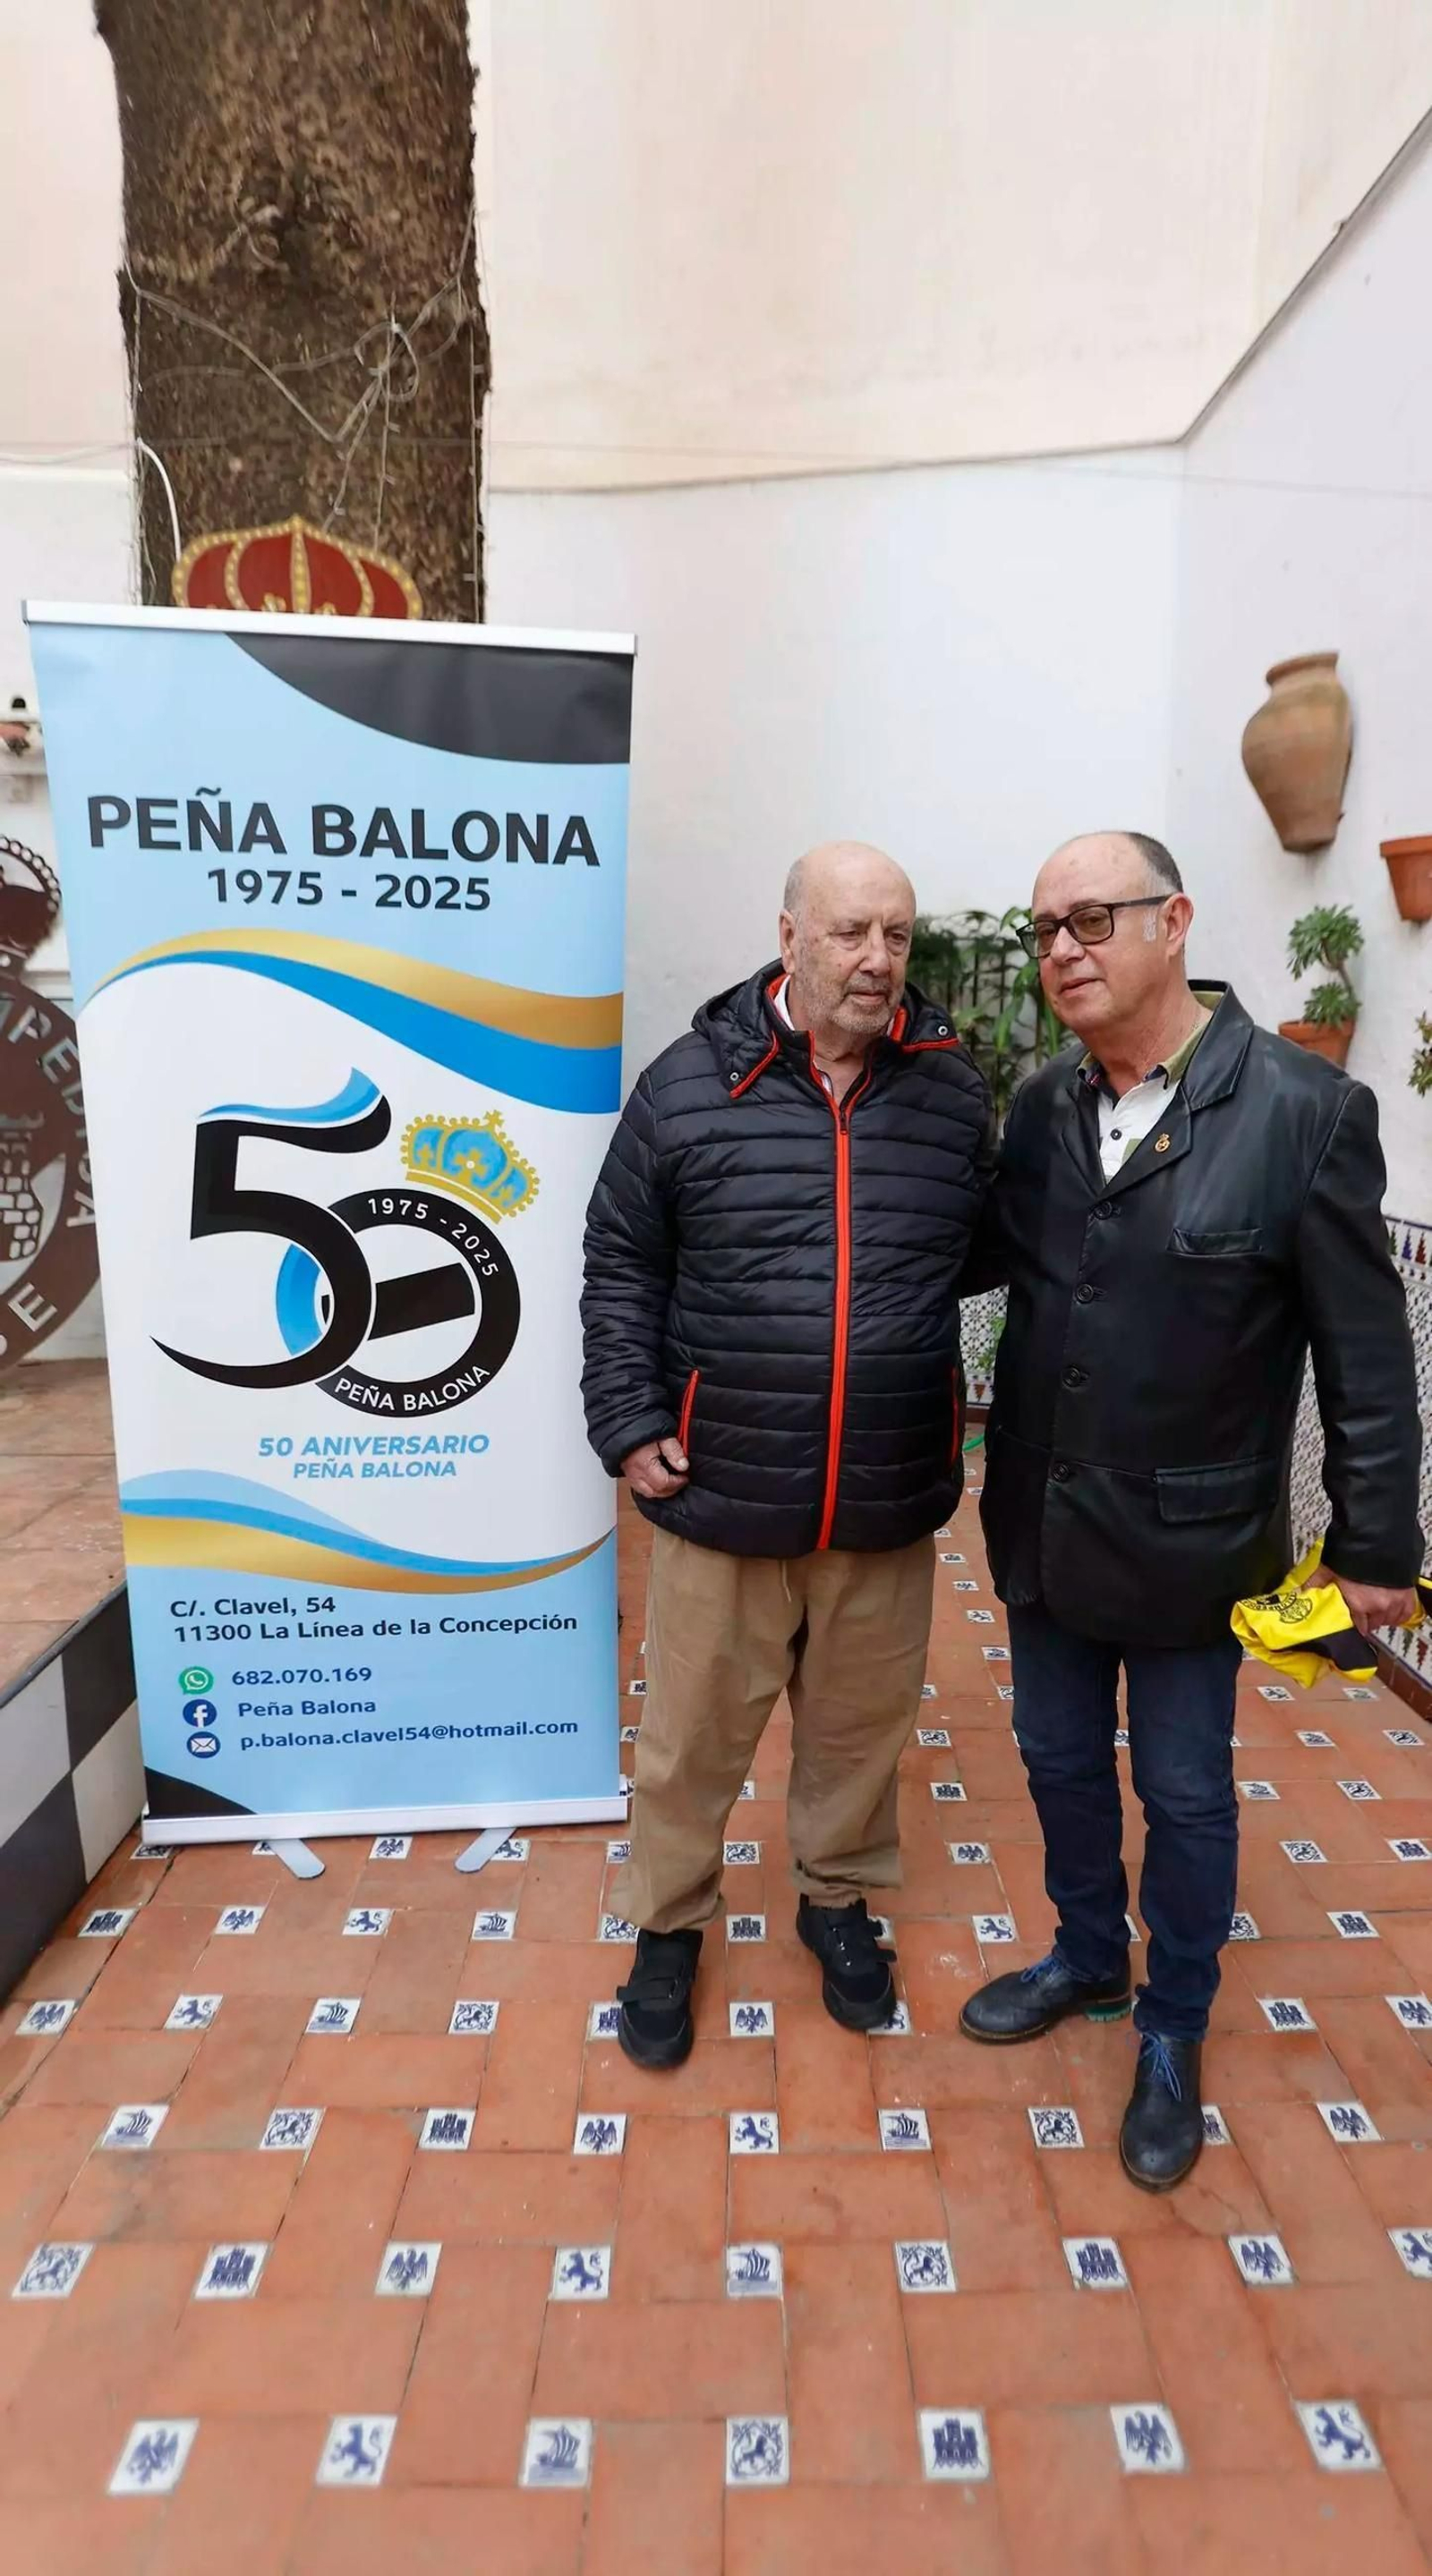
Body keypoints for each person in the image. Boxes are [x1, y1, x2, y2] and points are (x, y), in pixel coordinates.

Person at [959, 829, 1423, 2189]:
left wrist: (1377, 1546)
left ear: (1176, 923)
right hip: (1043, 1522)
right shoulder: (1043, 1106)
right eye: (1044, 928)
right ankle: (1089, 1956)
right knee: (1052, 1762)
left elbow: (1368, 1352)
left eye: (1091, 919)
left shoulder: (1302, 1112)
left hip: (1191, 1540)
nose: (1061, 950)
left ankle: (1173, 2028)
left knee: (1185, 1791)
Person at [582, 841, 993, 2067]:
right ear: (791, 935)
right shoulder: (687, 1085)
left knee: (863, 1731)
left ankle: (837, 1901)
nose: (878, 962)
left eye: (898, 938)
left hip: (883, 1490)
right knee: (692, 1738)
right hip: (722, 1486)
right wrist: (631, 1412)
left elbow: (971, 1252)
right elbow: (621, 1263)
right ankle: (667, 1925)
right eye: (852, 932)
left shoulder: (951, 1091)